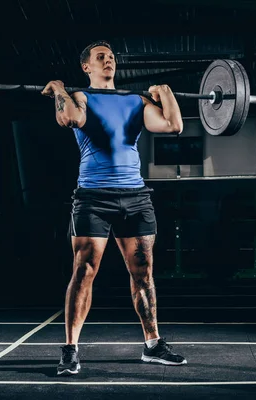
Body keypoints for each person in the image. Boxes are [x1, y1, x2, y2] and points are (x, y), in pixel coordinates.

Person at [41, 40, 187, 376]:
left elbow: (173, 126)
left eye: (111, 57)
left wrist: (164, 93)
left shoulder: (136, 101)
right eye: (100, 57)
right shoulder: (80, 97)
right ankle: (70, 349)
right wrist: (60, 88)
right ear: (86, 67)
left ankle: (153, 345)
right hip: (93, 197)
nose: (109, 61)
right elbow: (70, 120)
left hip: (135, 197)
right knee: (85, 270)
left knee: (144, 273)